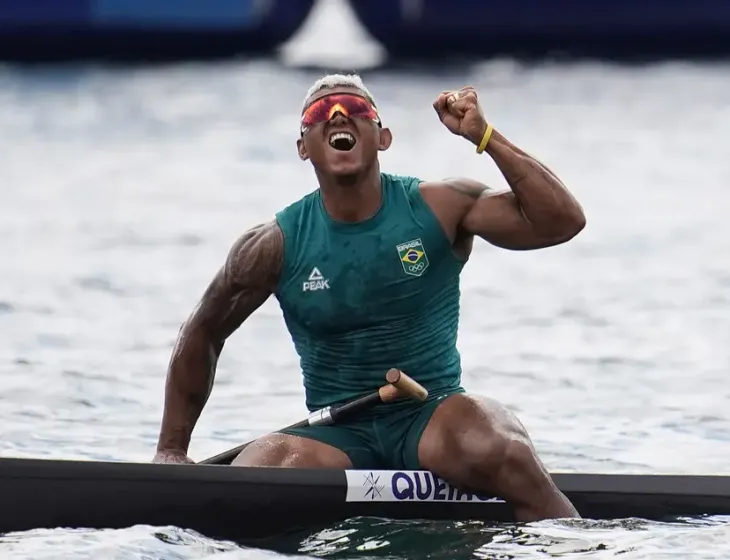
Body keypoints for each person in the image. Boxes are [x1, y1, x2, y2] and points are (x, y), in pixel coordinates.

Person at [153, 73, 586, 521]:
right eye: (321, 113)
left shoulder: (441, 206)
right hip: (337, 435)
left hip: (431, 416)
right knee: (253, 476)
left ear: (383, 138)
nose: (339, 115)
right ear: (304, 148)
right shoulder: (273, 245)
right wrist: (171, 450)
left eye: (355, 110)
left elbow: (561, 221)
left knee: (503, 451)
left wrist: (484, 136)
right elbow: (203, 331)